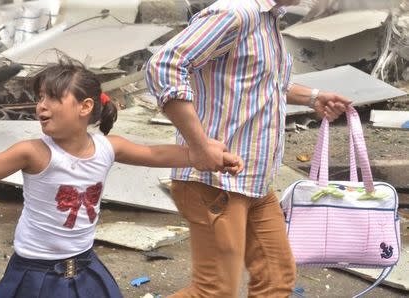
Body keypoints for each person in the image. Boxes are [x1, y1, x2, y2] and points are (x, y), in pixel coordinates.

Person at [0, 58, 244, 298]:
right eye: (40, 97)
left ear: (85, 107)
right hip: (35, 272)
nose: (41, 106)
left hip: (85, 268)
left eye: (53, 97)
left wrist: (206, 154)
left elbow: (155, 154)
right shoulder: (34, 152)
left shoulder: (107, 147)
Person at [145, 0, 352, 297]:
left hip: (254, 179)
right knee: (214, 291)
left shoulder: (269, 19)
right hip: (216, 180)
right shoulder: (235, 13)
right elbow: (164, 64)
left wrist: (313, 97)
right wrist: (199, 145)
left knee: (276, 278)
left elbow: (264, 83)